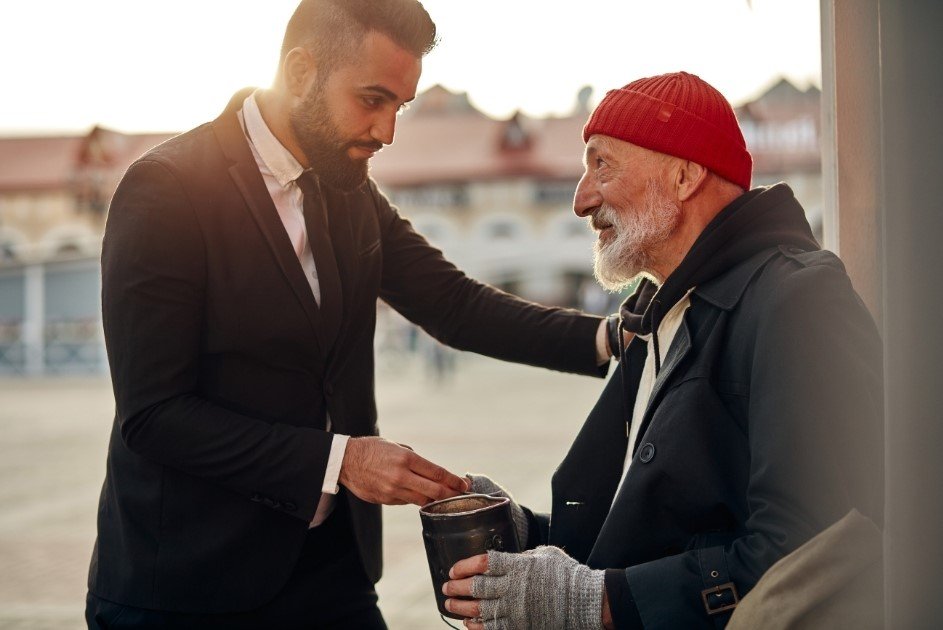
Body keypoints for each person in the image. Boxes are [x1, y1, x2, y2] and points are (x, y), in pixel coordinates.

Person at [85, 1, 613, 627]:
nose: (387, 131)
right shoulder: (166, 190)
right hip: (188, 583)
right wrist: (341, 461)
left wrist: (611, 338)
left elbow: (454, 303)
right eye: (372, 99)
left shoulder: (349, 189)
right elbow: (153, 415)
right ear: (301, 71)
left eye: (400, 107)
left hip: (331, 570)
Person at [443, 71, 883, 629]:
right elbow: (642, 534)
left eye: (601, 164)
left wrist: (597, 603)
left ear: (684, 175)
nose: (581, 199)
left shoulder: (797, 299)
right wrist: (521, 532)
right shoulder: (660, 311)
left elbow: (812, 550)